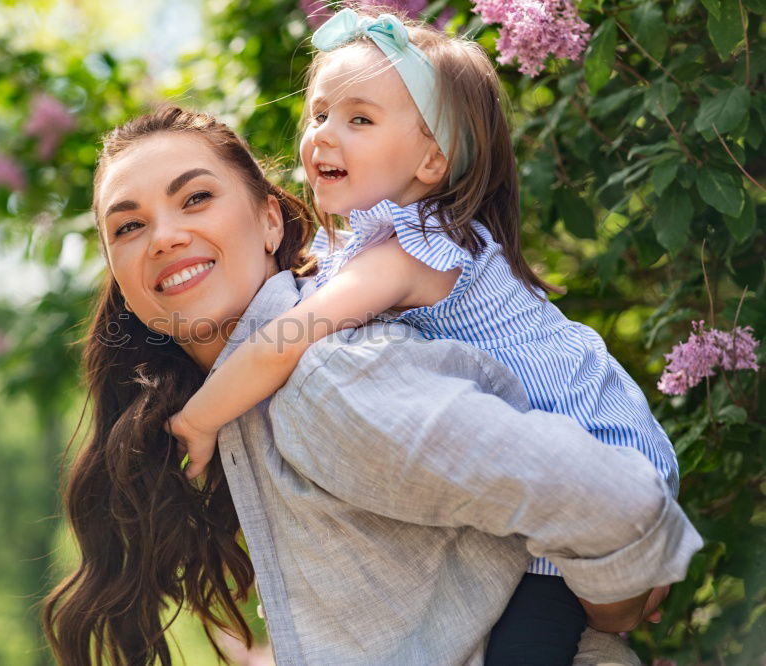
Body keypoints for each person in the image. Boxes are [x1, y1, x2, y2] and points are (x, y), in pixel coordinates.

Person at [41, 105, 701, 666]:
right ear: (121, 283)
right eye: (128, 226)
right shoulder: (254, 412)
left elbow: (615, 499)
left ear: (271, 220)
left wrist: (611, 607)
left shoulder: (325, 380)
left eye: (195, 198)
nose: (164, 236)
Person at [166, 10, 679, 662]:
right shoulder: (373, 244)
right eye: (318, 113)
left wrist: (201, 417)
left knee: (527, 645)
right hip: (554, 458)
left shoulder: (411, 251)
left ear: (432, 159)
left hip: (591, 449)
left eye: (360, 119)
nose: (324, 133)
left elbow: (287, 339)